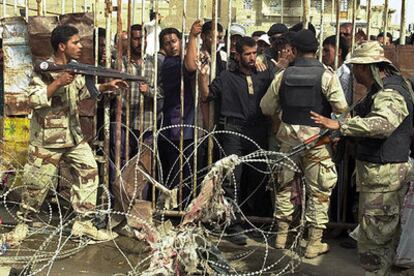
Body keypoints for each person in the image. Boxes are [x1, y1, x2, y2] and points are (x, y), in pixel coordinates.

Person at [8, 25, 126, 243]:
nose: (80, 46)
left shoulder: (75, 68)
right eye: (75, 42)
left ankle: (84, 224)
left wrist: (106, 86)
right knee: (36, 186)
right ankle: (22, 225)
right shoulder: (43, 70)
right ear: (62, 46)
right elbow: (33, 99)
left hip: (73, 136)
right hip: (47, 140)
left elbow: (80, 92)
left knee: (89, 173)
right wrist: (58, 82)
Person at [311, 41, 413, 275]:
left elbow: (383, 124)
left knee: (375, 245)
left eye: (356, 67)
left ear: (365, 68)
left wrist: (341, 125)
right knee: (379, 239)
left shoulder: (390, 92)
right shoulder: (381, 89)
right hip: (379, 178)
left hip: (384, 179)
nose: (354, 73)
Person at [260, 29, 348, 257]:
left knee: (284, 189)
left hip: (289, 143)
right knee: (319, 192)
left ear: (295, 51)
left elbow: (266, 107)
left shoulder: (283, 76)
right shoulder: (327, 76)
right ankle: (313, 243)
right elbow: (341, 108)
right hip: (317, 143)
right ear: (316, 50)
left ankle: (281, 236)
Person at [206, 36, 276, 244]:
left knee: (257, 177)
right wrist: (202, 76)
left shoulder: (265, 74)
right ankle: (232, 224)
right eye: (248, 54)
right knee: (232, 178)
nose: (252, 58)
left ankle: (253, 221)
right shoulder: (226, 77)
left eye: (255, 53)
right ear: (237, 55)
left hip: (258, 130)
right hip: (233, 130)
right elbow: (207, 94)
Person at [322, 35, 352, 104]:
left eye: (326, 51)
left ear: (339, 52)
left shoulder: (344, 75)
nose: (323, 54)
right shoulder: (326, 71)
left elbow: (343, 105)